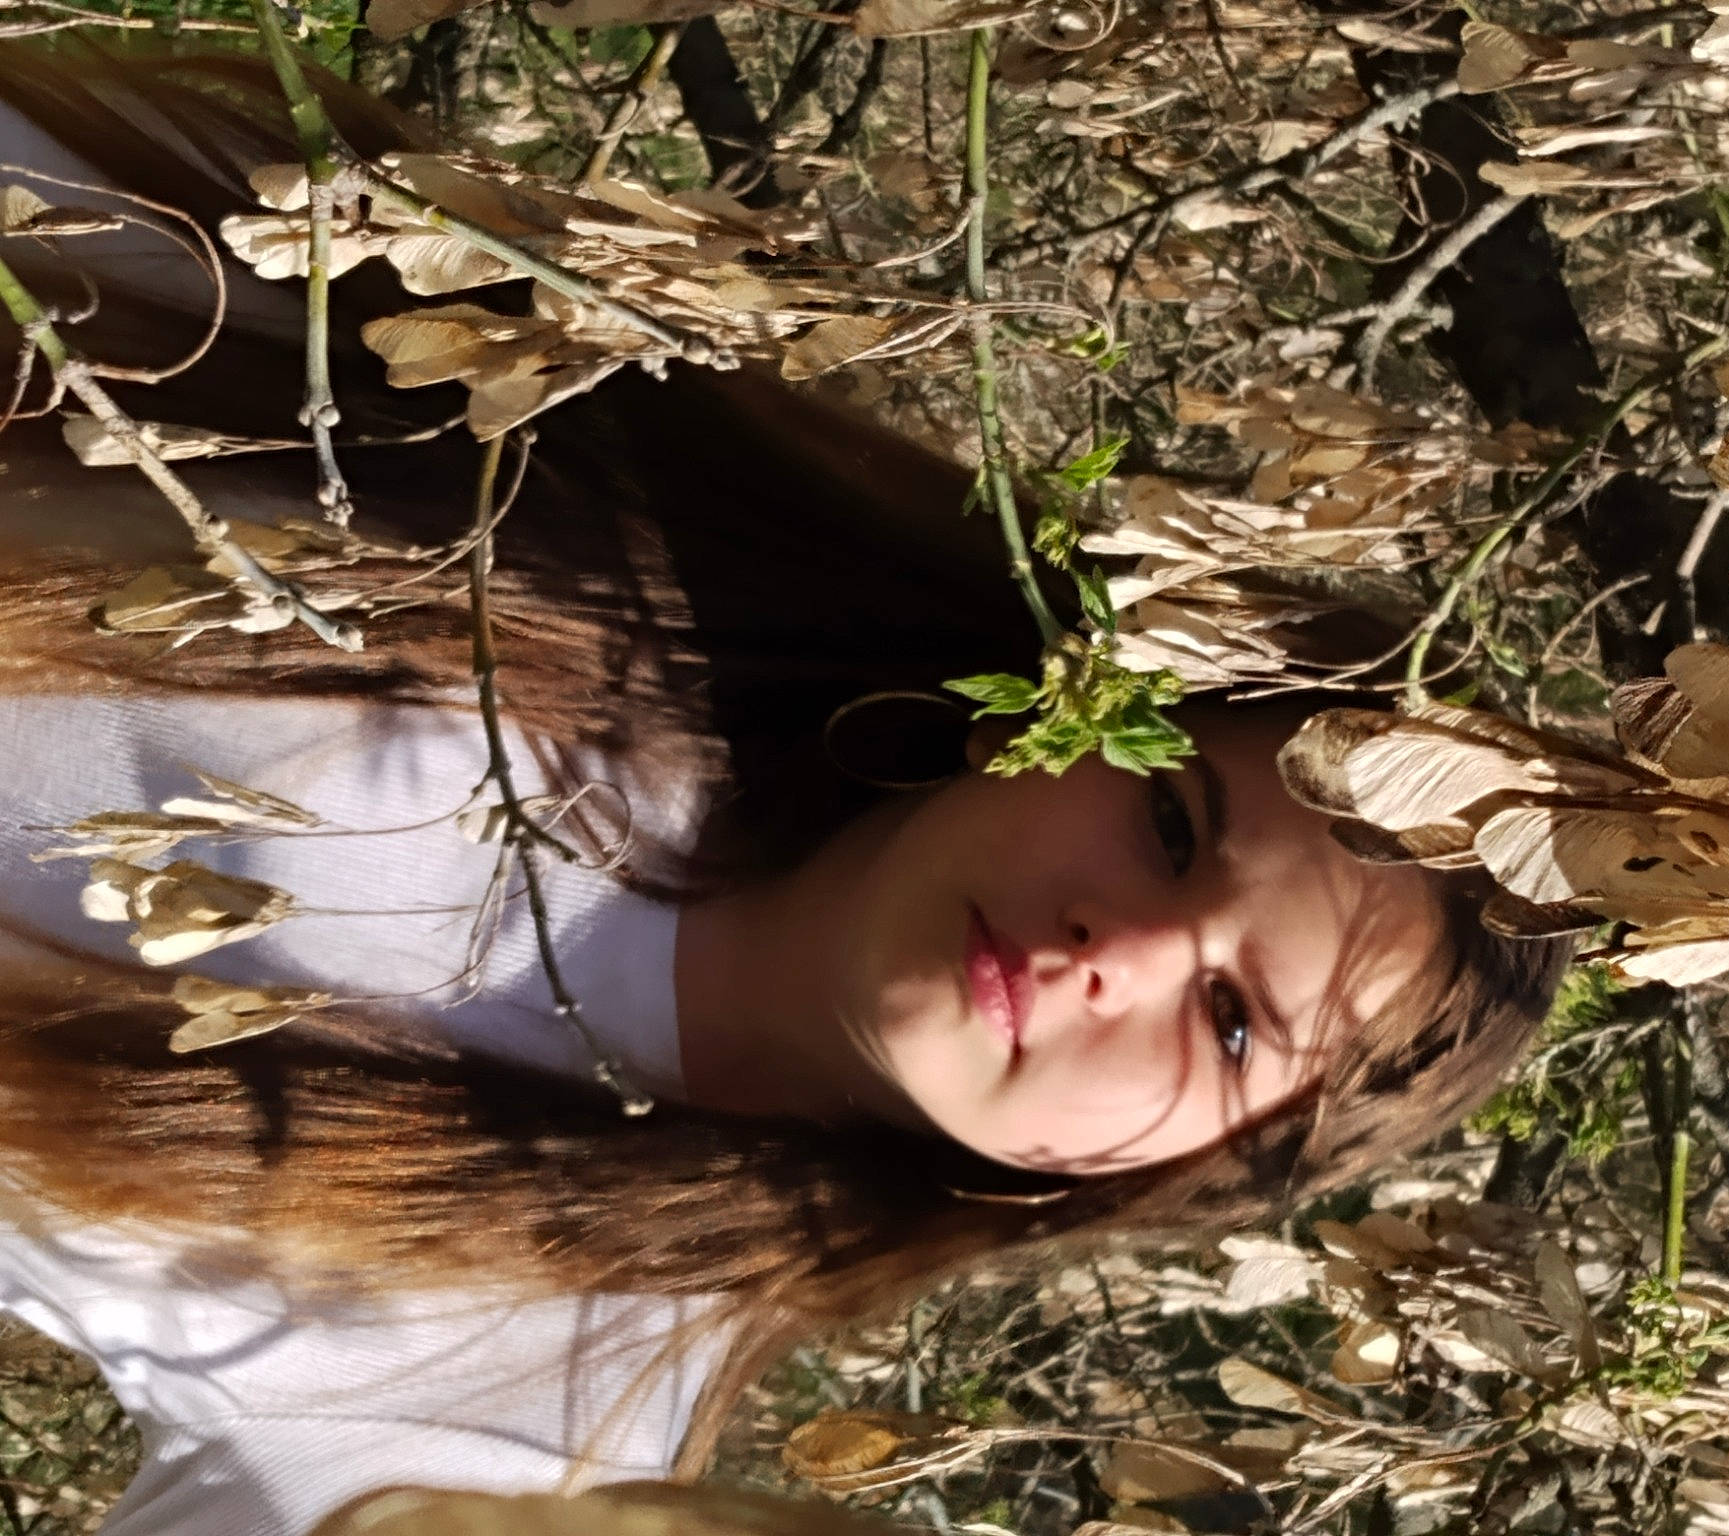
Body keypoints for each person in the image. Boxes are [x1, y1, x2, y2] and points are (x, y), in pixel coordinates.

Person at [0, 39, 1571, 1536]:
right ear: (1068, 713)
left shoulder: (546, 1414)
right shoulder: (566, 491)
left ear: (1155, 1175)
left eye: (1230, 1025)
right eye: (1171, 823)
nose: (1123, 950)